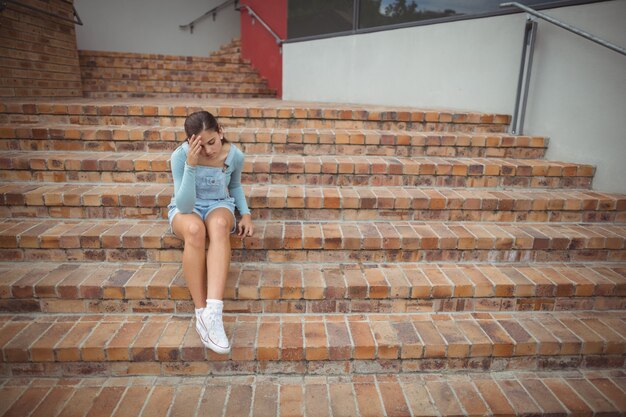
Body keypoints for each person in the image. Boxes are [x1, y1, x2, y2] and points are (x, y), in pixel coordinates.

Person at [168, 110, 254, 354]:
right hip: (187, 208)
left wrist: (245, 213)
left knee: (218, 226)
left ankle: (214, 313)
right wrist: (191, 165)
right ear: (189, 142)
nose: (208, 150)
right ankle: (200, 313)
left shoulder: (234, 156)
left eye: (212, 142)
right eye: (200, 145)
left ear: (221, 132)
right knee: (195, 230)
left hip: (219, 203)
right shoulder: (180, 157)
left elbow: (235, 186)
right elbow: (184, 205)